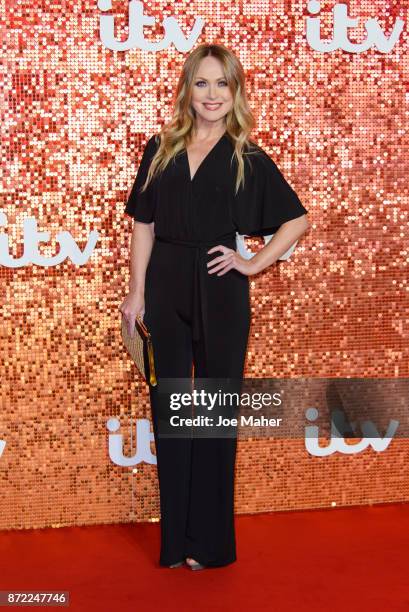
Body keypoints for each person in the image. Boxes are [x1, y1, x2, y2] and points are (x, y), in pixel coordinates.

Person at [120, 43, 310, 570]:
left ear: (236, 92)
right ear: (187, 89)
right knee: (172, 413)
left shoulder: (248, 156)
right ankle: (176, 543)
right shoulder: (159, 149)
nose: (211, 95)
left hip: (222, 290)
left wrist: (252, 264)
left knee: (215, 415)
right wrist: (135, 291)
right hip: (164, 287)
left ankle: (209, 545)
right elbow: (144, 224)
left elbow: (296, 221)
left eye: (221, 84)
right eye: (201, 83)